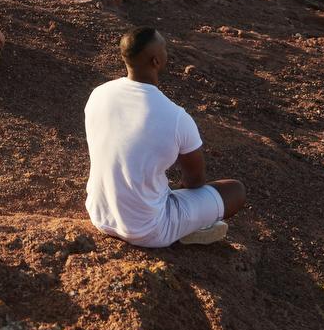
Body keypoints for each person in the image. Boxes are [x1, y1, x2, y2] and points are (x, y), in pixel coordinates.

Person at [84, 28, 246, 247]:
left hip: (100, 215)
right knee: (235, 190)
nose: (167, 52)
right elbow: (195, 181)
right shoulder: (176, 117)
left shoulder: (99, 94)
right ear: (156, 61)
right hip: (148, 230)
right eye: (164, 48)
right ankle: (187, 228)